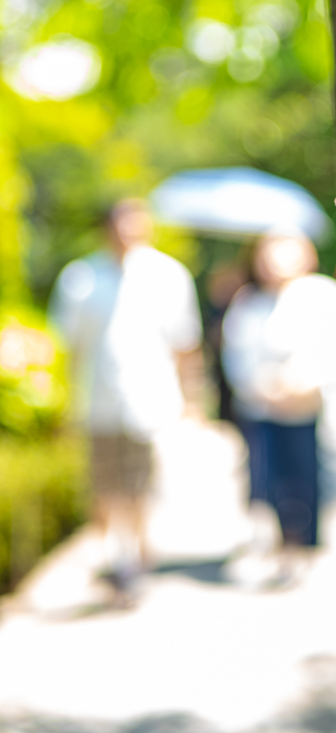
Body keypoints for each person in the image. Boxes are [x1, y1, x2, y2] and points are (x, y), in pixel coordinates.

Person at [49, 199, 203, 600]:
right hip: (97, 398)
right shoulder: (80, 278)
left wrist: (193, 399)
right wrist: (65, 402)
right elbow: (69, 345)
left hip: (150, 398)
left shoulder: (168, 275)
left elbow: (186, 343)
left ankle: (137, 555)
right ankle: (115, 553)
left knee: (140, 481)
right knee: (104, 481)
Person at [221, 233, 336, 557]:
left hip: (312, 408)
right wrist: (261, 387)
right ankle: (282, 545)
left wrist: (308, 380)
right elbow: (235, 355)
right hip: (263, 410)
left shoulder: (323, 294)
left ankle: (306, 546)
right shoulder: (248, 301)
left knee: (312, 482)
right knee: (269, 483)